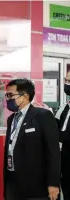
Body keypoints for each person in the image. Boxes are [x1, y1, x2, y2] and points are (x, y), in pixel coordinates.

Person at [3, 78, 60, 200]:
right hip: (13, 180)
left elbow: (53, 152)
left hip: (35, 185)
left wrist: (53, 183)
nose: (7, 99)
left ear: (25, 96)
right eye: (6, 95)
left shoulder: (42, 116)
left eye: (10, 95)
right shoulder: (11, 119)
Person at [55, 72, 70, 200]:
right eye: (66, 80)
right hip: (66, 164)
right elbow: (57, 125)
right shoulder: (66, 106)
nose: (67, 84)